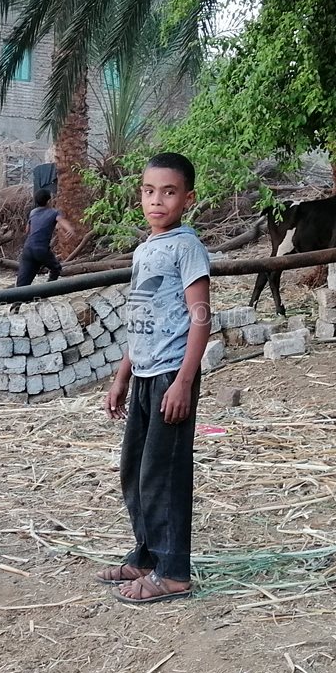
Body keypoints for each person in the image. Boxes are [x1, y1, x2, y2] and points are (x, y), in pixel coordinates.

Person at [99, 152, 212, 604]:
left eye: (168, 192)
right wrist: (121, 376)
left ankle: (173, 572)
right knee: (136, 471)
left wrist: (184, 381)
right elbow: (140, 318)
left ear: (188, 199)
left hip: (170, 375)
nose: (157, 201)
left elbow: (200, 317)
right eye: (149, 191)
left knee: (163, 475)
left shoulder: (187, 247)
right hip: (145, 374)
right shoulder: (146, 249)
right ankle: (147, 555)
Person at [15, 188, 76, 287]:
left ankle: (17, 296)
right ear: (49, 201)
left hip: (28, 249)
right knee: (56, 268)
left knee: (23, 283)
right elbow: (61, 221)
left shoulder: (33, 212)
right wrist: (70, 229)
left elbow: (27, 230)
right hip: (41, 250)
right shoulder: (54, 212)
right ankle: (47, 290)